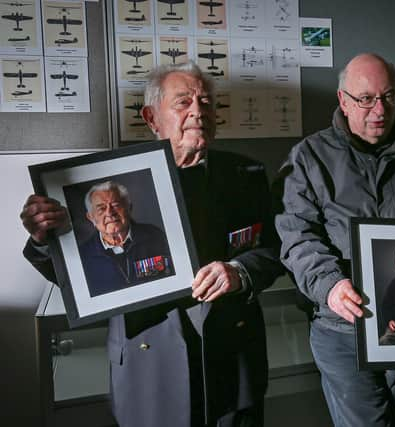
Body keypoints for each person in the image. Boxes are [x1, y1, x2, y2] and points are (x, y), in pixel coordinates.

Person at [20, 61, 284, 427]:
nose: (198, 112)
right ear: (151, 116)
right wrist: (43, 237)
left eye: (206, 103)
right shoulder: (105, 184)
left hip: (232, 357)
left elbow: (274, 250)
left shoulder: (247, 174)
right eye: (183, 103)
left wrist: (239, 272)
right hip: (149, 360)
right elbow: (77, 279)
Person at [275, 53, 395, 427]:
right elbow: (296, 235)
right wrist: (330, 286)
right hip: (343, 327)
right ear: (343, 101)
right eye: (366, 99)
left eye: (388, 97)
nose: (378, 109)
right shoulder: (309, 159)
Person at [78, 180, 173, 296]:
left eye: (116, 205)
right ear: (91, 217)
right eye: (101, 209)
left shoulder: (155, 235)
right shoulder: (83, 255)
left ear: (129, 208)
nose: (110, 213)